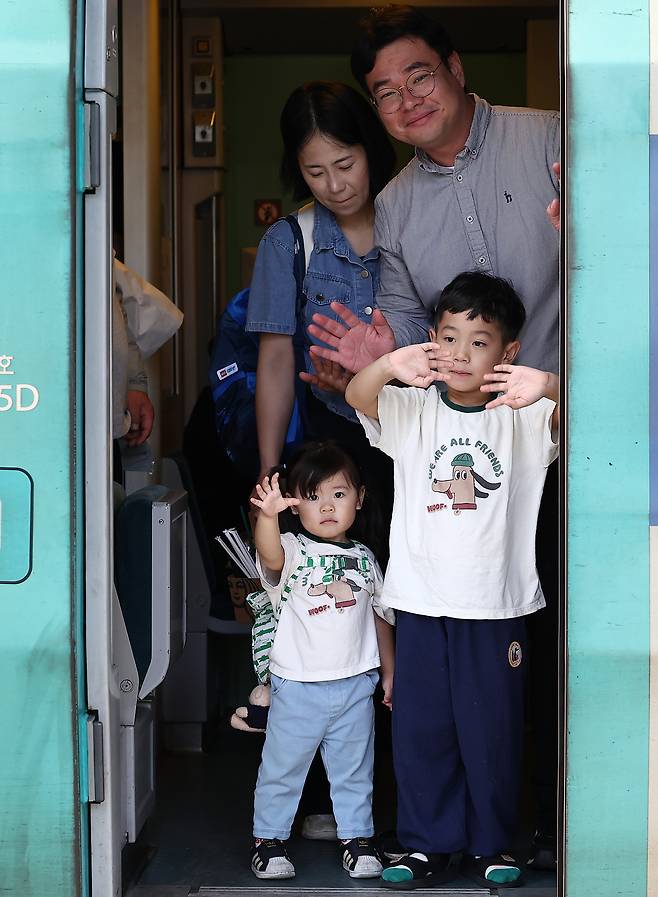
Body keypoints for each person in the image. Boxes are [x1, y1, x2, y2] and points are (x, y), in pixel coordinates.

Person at [307, 5, 561, 866]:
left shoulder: (556, 136)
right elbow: (411, 341)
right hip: (459, 457)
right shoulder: (396, 205)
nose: (406, 99)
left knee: (545, 649)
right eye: (385, 92)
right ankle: (450, 837)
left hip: (565, 439)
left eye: (418, 75)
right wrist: (383, 360)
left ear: (455, 68)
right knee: (459, 680)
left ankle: (542, 826)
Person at [345, 271, 559, 889]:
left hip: (496, 606)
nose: (461, 354)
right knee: (422, 730)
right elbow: (361, 397)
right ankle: (424, 844)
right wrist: (393, 361)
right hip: (419, 600)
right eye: (448, 337)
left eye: (480, 341)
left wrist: (545, 382)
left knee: (489, 730)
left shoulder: (524, 413)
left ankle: (493, 842)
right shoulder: (414, 408)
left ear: (508, 353)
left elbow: (586, 409)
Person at [245, 81, 396, 511]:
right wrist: (269, 468)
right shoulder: (288, 242)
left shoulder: (415, 221)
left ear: (369, 148)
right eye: (315, 173)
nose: (334, 185)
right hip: (333, 448)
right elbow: (274, 361)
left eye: (345, 164)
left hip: (419, 436)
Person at [248, 442, 395, 881]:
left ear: (360, 498)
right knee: (283, 767)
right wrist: (267, 515)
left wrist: (390, 672)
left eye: (338, 494)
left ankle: (357, 837)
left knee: (354, 768)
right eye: (312, 497)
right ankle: (268, 840)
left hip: (355, 683)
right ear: (296, 506)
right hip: (298, 684)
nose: (327, 507)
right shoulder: (292, 549)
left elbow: (380, 616)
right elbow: (269, 557)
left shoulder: (366, 559)